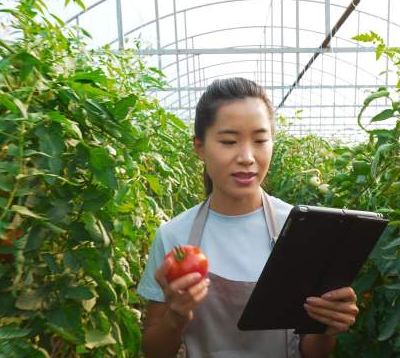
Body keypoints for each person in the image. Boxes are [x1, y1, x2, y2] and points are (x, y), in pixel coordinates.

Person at [137, 77, 359, 358]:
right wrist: (175, 317)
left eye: (260, 140)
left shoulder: (301, 231)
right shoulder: (174, 237)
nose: (247, 157)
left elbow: (313, 352)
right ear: (200, 148)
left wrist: (327, 325)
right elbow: (155, 352)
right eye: (229, 141)